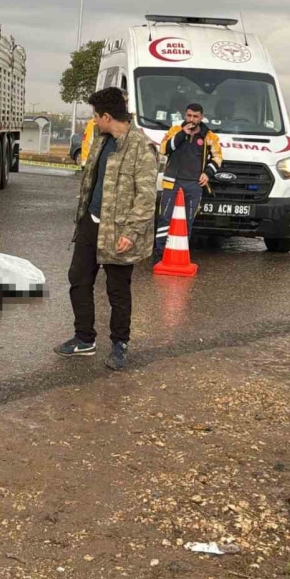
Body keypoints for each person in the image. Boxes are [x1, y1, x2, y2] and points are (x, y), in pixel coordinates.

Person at [54, 88, 158, 371]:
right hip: (92, 222)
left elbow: (146, 198)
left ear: (108, 116)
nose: (94, 121)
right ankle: (84, 338)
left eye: (95, 116)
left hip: (120, 232)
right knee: (78, 278)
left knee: (117, 291)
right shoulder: (102, 140)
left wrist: (131, 233)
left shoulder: (141, 148)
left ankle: (119, 344)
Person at [154, 102, 222, 261]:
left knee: (187, 221)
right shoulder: (175, 130)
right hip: (173, 181)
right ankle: (160, 253)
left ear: (202, 117)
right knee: (165, 218)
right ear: (185, 115)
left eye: (195, 116)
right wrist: (181, 135)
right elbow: (163, 149)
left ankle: (180, 253)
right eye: (189, 115)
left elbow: (217, 157)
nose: (192, 119)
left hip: (194, 184)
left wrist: (207, 173)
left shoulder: (209, 136)